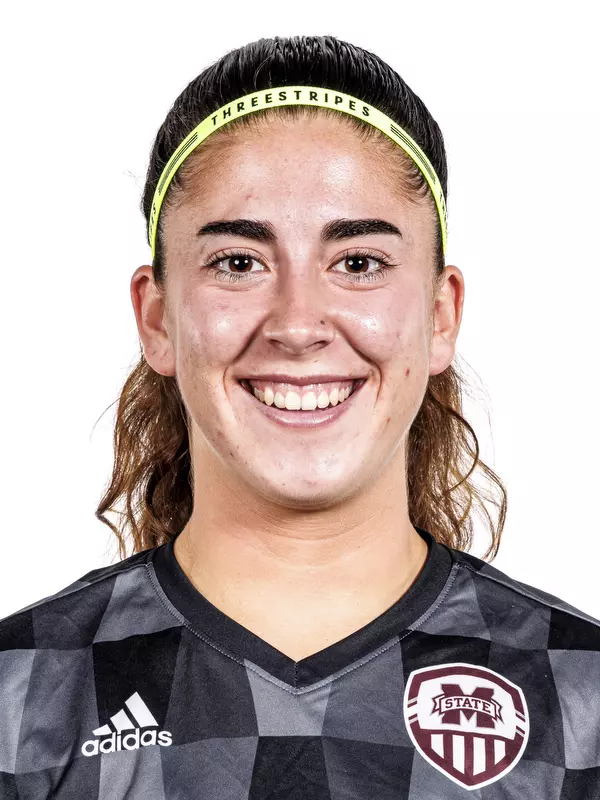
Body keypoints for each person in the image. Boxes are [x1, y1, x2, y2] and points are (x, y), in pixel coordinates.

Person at [1, 34, 598, 799]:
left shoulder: (581, 694)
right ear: (157, 318)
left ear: (441, 314)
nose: (298, 322)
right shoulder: (21, 696)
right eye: (238, 263)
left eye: (358, 263)